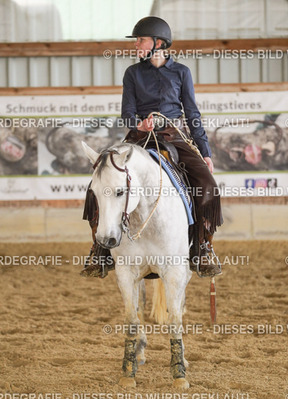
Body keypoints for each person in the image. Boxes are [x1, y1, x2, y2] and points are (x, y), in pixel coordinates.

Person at [81, 16, 223, 278]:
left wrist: (205, 152)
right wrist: (140, 124)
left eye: (141, 40)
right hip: (139, 137)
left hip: (174, 135)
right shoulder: (132, 74)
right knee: (99, 182)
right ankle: (99, 250)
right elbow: (127, 113)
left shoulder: (182, 72)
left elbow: (192, 114)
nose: (136, 44)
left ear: (159, 43)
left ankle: (202, 247)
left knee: (208, 185)